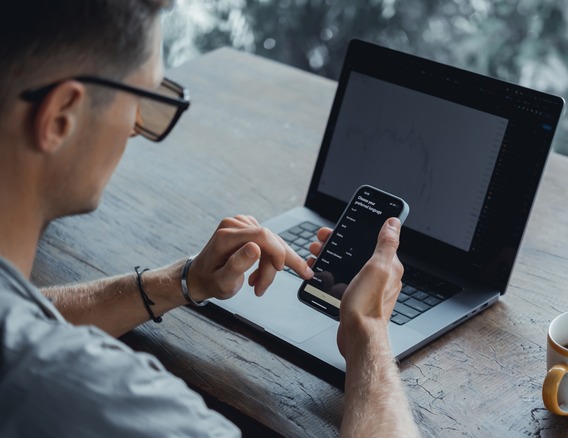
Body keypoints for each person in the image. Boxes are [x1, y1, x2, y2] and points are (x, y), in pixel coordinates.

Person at [0, 1, 419, 436]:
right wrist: (368, 334)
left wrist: (184, 281)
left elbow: (22, 322)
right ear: (61, 117)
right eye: (141, 100)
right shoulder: (127, 407)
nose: (136, 128)